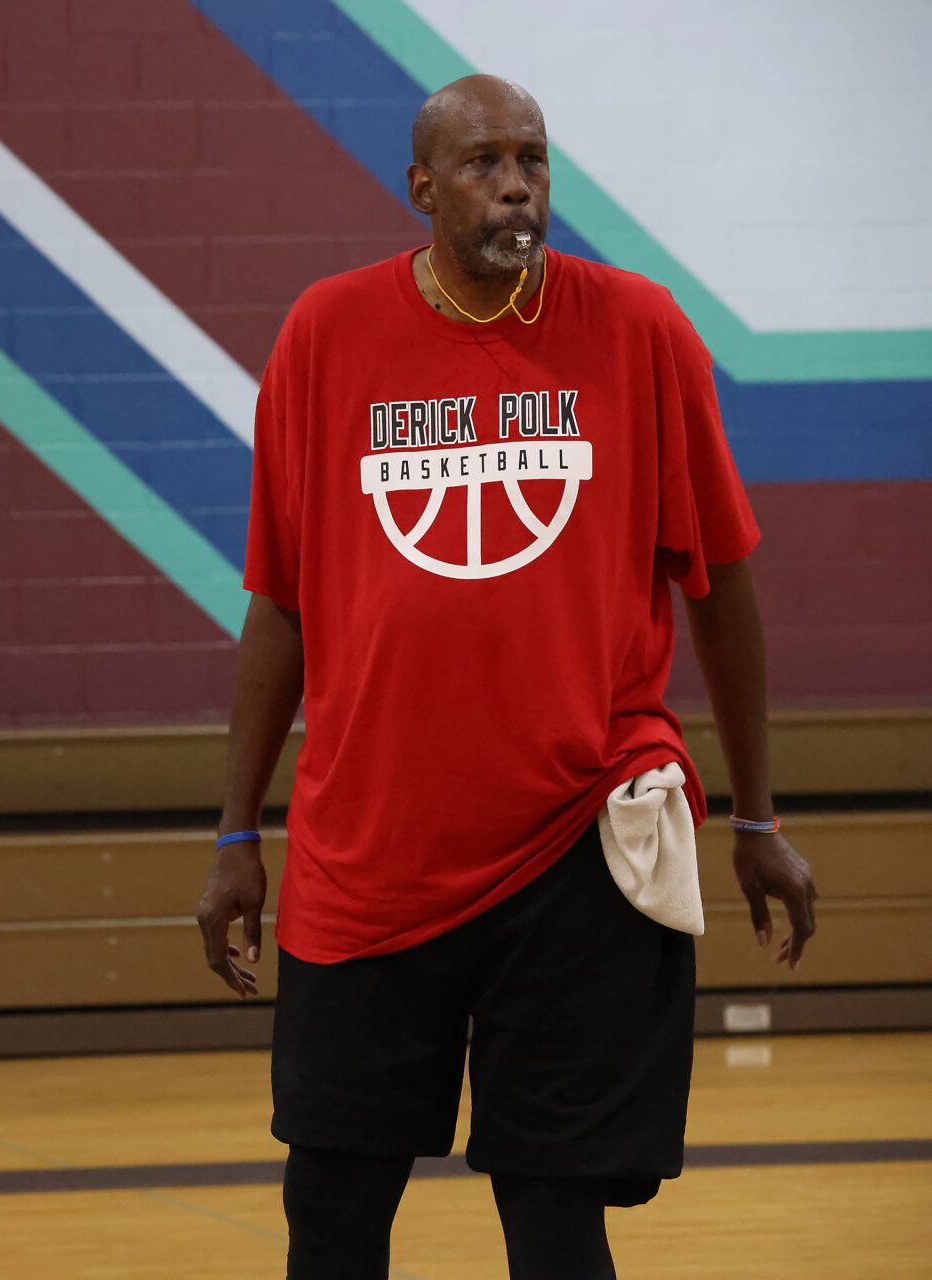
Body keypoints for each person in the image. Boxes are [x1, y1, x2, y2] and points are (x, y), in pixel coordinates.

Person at [195, 76, 818, 1279]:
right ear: (422, 187)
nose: (517, 183)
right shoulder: (325, 334)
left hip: (579, 837)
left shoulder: (639, 330)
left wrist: (756, 813)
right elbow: (281, 603)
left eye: (532, 158)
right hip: (369, 847)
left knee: (553, 1209)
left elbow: (720, 584)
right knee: (330, 1204)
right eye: (483, 161)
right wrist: (235, 830)